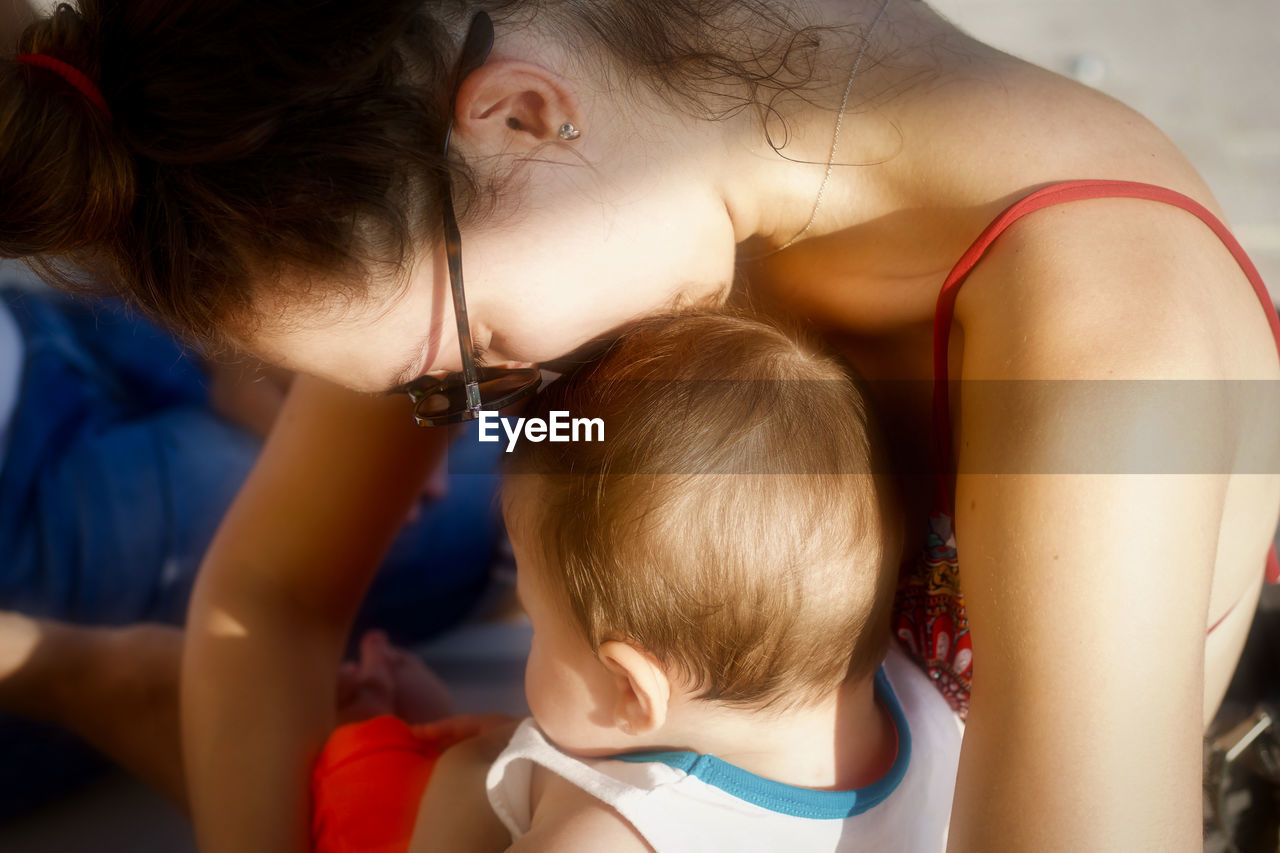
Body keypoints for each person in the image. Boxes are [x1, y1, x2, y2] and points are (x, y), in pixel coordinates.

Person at [2, 1, 1277, 850]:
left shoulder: (1101, 343)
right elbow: (275, 591)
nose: (496, 407)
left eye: (478, 362)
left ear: (520, 114)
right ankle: (75, 666)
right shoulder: (596, 174)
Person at [311, 311, 962, 853]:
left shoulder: (606, 835)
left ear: (632, 686)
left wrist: (421, 773)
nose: (531, 641)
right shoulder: (935, 716)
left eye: (535, 624)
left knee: (357, 779)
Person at [0, 280, 506, 815]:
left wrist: (230, 327)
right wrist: (72, 671)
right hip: (25, 547)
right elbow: (270, 603)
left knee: (464, 411)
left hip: (45, 327)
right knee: (506, 459)